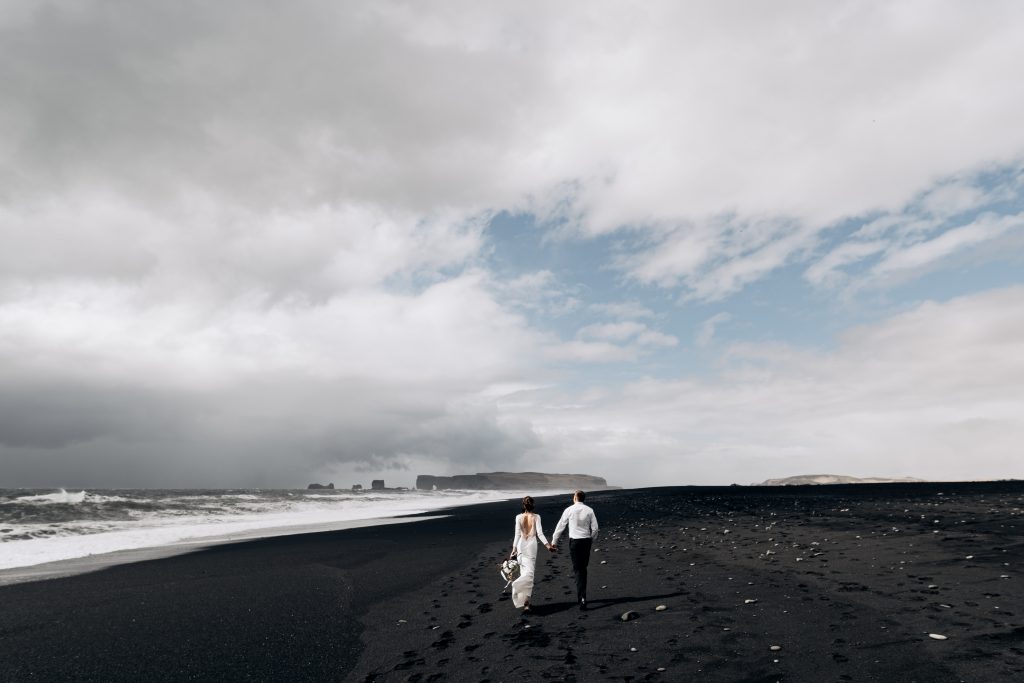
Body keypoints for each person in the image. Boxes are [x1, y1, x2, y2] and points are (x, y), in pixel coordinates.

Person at [550, 489, 599, 611]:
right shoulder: (589, 510)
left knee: (578, 570)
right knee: (583, 568)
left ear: (575, 498)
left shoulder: (569, 510)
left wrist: (554, 542)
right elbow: (595, 529)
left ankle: (582, 598)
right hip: (586, 541)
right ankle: (582, 596)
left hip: (575, 542)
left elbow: (560, 526)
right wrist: (591, 540)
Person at [509, 496, 553, 613]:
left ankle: (525, 601)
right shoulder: (537, 517)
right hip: (531, 546)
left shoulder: (518, 517)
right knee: (530, 574)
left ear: (523, 505)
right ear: (533, 505)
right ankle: (526, 601)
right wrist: (547, 545)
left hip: (521, 546)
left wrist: (513, 549)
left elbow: (517, 535)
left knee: (525, 572)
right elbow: (540, 534)